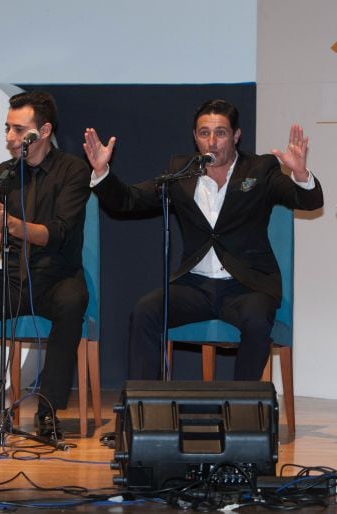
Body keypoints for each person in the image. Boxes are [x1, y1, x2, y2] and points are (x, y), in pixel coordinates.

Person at [83, 99, 324, 381]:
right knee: (145, 312)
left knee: (257, 321)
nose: (212, 142)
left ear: (236, 136)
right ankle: (144, 410)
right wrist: (102, 173)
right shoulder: (181, 171)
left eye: (220, 133)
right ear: (195, 137)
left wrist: (300, 174)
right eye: (204, 133)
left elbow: (309, 201)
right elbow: (130, 200)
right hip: (195, 285)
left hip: (247, 286)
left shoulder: (260, 169)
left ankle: (239, 410)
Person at [0, 91, 90, 439]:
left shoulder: (73, 171)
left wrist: (9, 225)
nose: (10, 137)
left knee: (73, 302)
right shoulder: (1, 176)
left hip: (58, 276)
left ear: (42, 131)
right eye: (7, 128)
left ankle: (47, 411)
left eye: (18, 130)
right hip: (12, 278)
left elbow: (58, 233)